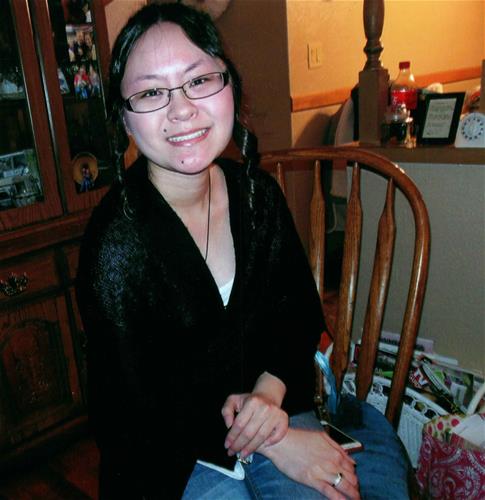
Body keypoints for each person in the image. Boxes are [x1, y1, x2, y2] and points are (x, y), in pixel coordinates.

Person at [76, 4, 409, 499]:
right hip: (171, 455)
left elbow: (296, 316)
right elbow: (133, 411)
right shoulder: (113, 246)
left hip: (274, 403)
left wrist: (270, 396)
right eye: (150, 93)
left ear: (230, 85)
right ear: (124, 119)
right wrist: (279, 443)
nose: (181, 109)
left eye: (198, 80)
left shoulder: (258, 196)